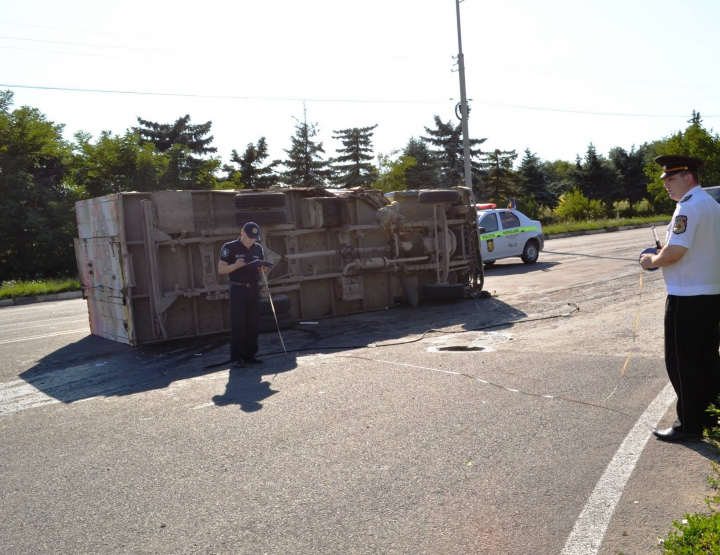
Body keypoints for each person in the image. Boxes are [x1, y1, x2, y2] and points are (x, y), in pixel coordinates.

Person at [640, 155, 720, 442]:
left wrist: (650, 260)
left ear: (688, 178)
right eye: (665, 180)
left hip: (686, 297)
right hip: (711, 294)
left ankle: (689, 425)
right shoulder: (711, 204)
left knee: (682, 363)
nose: (666, 185)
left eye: (671, 179)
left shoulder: (687, 208)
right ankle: (710, 417)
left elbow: (673, 254)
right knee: (708, 360)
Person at [218, 222, 268, 368]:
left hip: (253, 288)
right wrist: (235, 265)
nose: (252, 240)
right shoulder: (229, 247)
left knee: (253, 323)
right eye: (250, 237)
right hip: (238, 289)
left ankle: (250, 354)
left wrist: (262, 269)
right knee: (238, 324)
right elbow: (221, 269)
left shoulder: (258, 248)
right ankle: (237, 357)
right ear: (242, 232)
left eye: (254, 238)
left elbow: (260, 268)